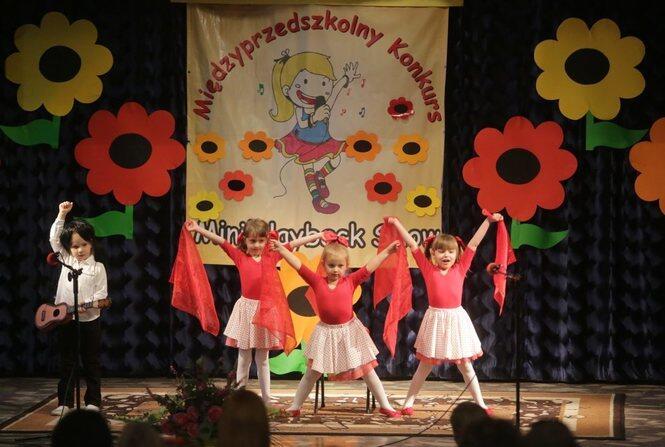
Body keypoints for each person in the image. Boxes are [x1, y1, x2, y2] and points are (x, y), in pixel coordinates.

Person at [185, 218, 321, 404]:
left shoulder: (272, 256)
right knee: (244, 357)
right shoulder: (239, 256)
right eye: (253, 241)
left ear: (267, 241)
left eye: (261, 241)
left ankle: (266, 397)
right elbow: (220, 240)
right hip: (246, 311)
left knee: (263, 359)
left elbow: (294, 243)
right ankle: (239, 395)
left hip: (265, 311)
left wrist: (318, 235)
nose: (257, 245)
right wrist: (198, 229)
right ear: (245, 240)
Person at [272, 231, 401, 418]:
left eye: (340, 266)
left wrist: (388, 251)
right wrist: (281, 249)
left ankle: (385, 405)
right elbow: (297, 264)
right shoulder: (316, 281)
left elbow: (370, 266)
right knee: (311, 373)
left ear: (346, 266)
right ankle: (295, 406)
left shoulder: (351, 281)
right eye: (331, 265)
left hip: (349, 332)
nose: (335, 270)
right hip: (325, 333)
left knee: (367, 370)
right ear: (323, 264)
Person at [388, 214, 503, 415]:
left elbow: (474, 243)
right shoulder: (428, 269)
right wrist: (397, 223)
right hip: (435, 320)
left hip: (456, 320)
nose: (446, 255)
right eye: (441, 251)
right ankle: (408, 403)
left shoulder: (460, 268)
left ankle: (480, 404)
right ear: (433, 253)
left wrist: (488, 221)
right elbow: (413, 245)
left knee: (466, 367)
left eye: (450, 251)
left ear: (457, 254)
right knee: (424, 366)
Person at [270, 50, 360, 214]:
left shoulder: (325, 105)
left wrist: (346, 78)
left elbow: (335, 91)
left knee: (336, 159)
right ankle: (317, 199)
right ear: (287, 90)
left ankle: (321, 175)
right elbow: (303, 124)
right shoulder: (300, 108)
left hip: (324, 141)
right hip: (302, 142)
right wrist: (315, 117)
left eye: (324, 83)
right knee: (307, 168)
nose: (315, 89)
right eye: (305, 81)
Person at [49, 201, 107, 415]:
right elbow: (54, 239)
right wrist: (61, 214)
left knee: (91, 362)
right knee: (68, 361)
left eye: (83, 244)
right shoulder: (65, 259)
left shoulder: (98, 268)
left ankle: (93, 402)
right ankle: (65, 402)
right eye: (74, 246)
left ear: (91, 243)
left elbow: (102, 295)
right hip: (66, 320)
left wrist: (86, 305)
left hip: (90, 320)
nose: (80, 250)